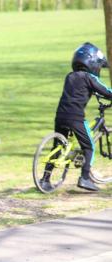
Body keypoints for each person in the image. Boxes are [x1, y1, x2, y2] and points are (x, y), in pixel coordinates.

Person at [40, 42, 112, 192]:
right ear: (91, 63)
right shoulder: (90, 78)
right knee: (89, 146)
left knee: (58, 146)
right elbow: (106, 91)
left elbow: (78, 91)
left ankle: (45, 179)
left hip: (60, 116)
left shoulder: (70, 76)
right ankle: (85, 178)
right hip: (75, 118)